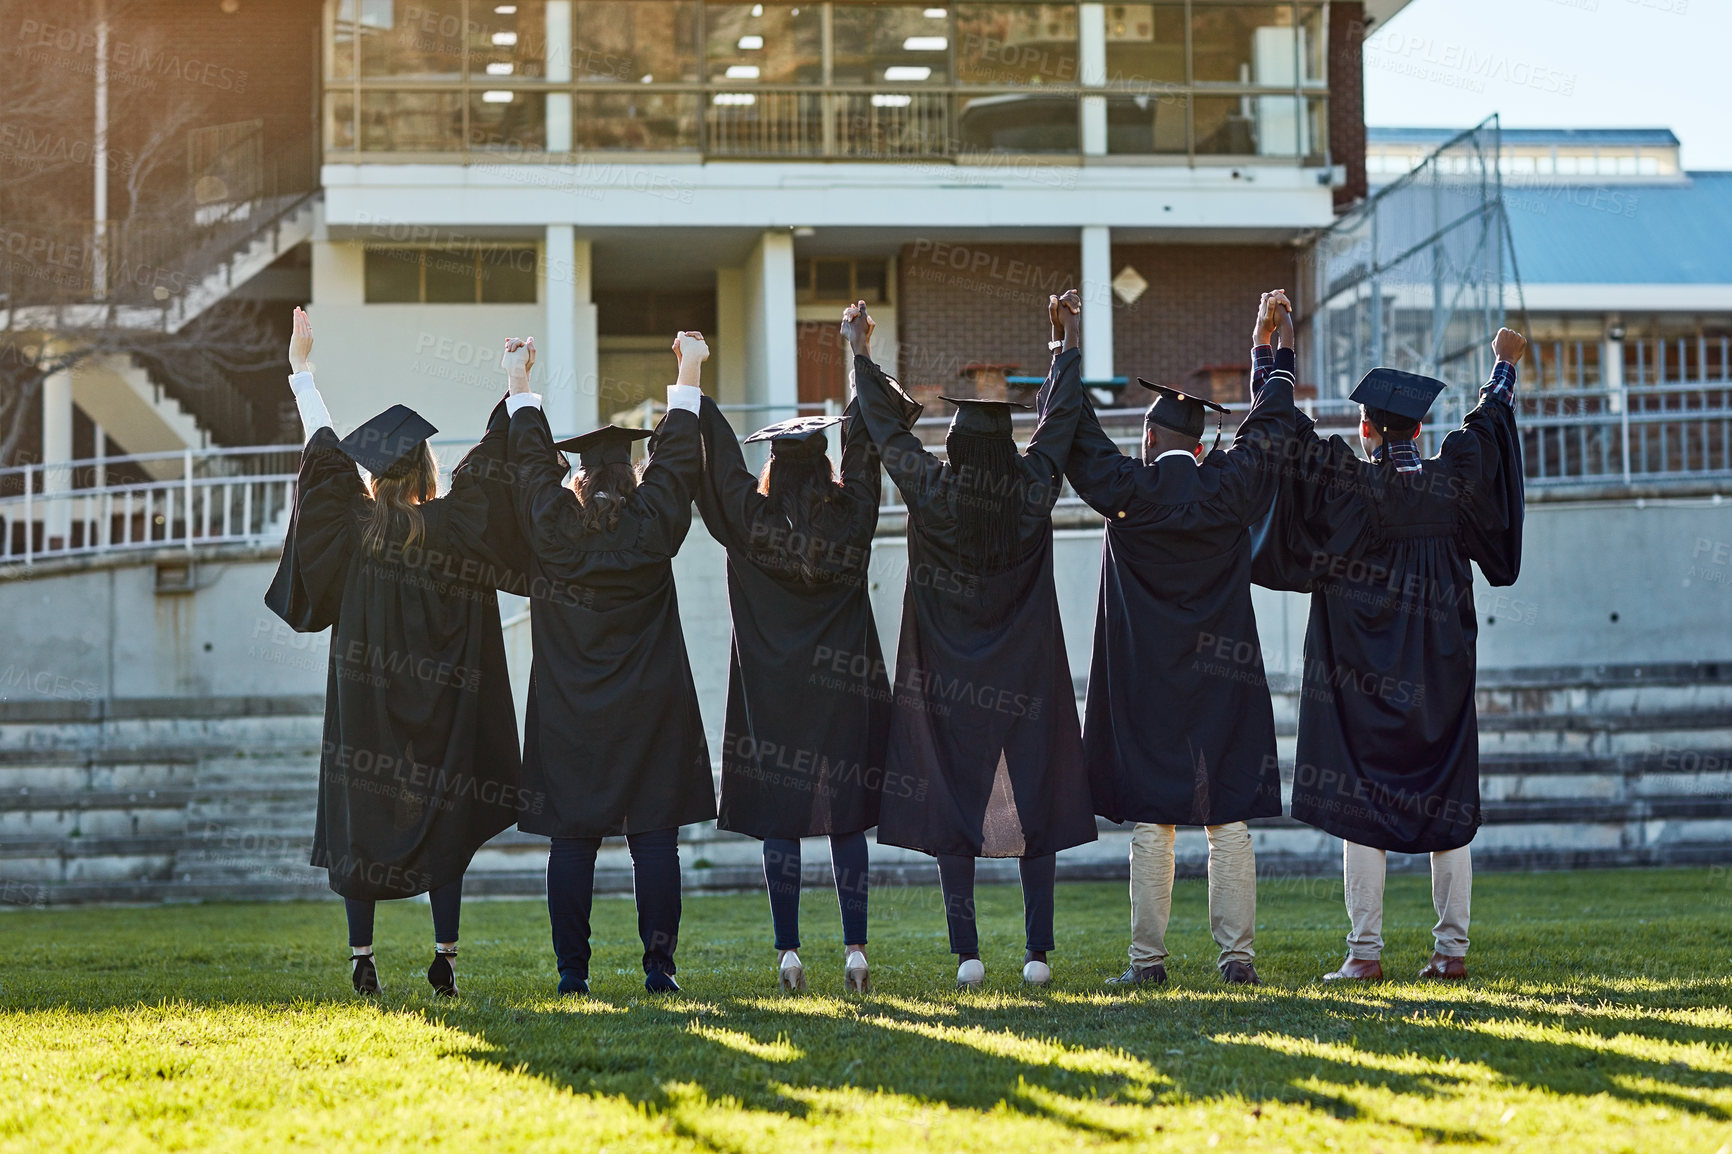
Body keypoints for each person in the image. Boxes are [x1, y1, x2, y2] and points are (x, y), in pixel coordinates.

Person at [1252, 324, 1528, 982]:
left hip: (1361, 680)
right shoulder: (1453, 481)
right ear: (1421, 433)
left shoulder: (1346, 486)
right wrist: (1501, 364)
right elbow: (1489, 426)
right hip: (1440, 674)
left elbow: (1285, 436)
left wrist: (1277, 353)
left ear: (1368, 431)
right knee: (1449, 796)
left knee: (1361, 799)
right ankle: (1450, 951)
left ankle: (1364, 954)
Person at [264, 307, 527, 998]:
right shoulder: (454, 525)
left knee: (364, 815)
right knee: (445, 808)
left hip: (368, 712)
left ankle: (362, 956)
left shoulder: (354, 527)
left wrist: (303, 369)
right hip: (444, 711)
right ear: (426, 470)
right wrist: (513, 384)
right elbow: (492, 467)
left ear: (376, 475)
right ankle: (445, 956)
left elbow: (323, 454)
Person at [848, 292, 1097, 990]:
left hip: (951, 677)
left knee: (953, 803)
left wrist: (861, 355)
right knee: (1037, 798)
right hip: (1026, 673)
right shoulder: (1032, 489)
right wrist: (1064, 343)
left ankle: (967, 957)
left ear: (955, 444)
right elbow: (1061, 420)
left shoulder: (935, 491)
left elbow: (892, 441)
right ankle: (1038, 955)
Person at [1066, 291, 1298, 988]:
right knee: (1226, 818)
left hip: (1147, 682)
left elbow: (1074, 432)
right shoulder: (1227, 487)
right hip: (1222, 677)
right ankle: (1237, 960)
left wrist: (1065, 348)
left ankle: (1148, 964)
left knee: (1152, 821)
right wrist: (1271, 351)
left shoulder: (1127, 490)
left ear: (1149, 442)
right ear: (1199, 446)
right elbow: (1273, 427)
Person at [503, 331, 715, 996]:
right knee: (653, 840)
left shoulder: (553, 531)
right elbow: (678, 464)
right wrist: (687, 372)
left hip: (571, 712)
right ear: (632, 477)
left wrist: (520, 387)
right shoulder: (653, 524)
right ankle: (660, 971)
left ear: (581, 478)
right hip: (650, 709)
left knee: (573, 841)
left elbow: (534, 471)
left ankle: (573, 976)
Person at [692, 358, 889, 993]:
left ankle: (789, 955)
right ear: (823, 464)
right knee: (847, 819)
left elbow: (720, 473)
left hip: (773, 696)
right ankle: (855, 950)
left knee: (782, 818)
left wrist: (694, 387)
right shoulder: (851, 520)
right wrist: (858, 361)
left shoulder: (750, 524)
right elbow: (864, 458)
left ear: (773, 466)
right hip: (839, 693)